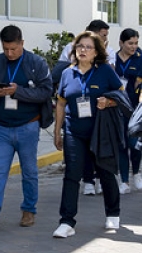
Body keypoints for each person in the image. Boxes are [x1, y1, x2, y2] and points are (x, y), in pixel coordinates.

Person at [0, 24, 53, 231]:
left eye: (14, 49)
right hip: (1, 128)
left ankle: (28, 210)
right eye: (6, 49)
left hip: (28, 125)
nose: (9, 53)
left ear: (22, 43)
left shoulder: (36, 63)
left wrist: (18, 91)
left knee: (30, 171)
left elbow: (45, 92)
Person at [53, 31, 124, 238]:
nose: (82, 50)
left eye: (88, 47)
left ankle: (113, 213)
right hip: (74, 130)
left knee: (105, 172)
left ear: (96, 52)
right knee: (72, 175)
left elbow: (121, 95)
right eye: (79, 46)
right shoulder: (68, 73)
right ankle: (66, 221)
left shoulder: (104, 71)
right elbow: (61, 103)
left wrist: (108, 102)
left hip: (100, 131)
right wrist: (58, 131)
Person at [115, 28, 142, 194]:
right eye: (130, 43)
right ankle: (124, 180)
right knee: (122, 144)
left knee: (135, 143)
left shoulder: (140, 58)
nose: (133, 46)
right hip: (118, 107)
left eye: (136, 43)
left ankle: (137, 173)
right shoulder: (113, 59)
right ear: (121, 43)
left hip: (135, 108)